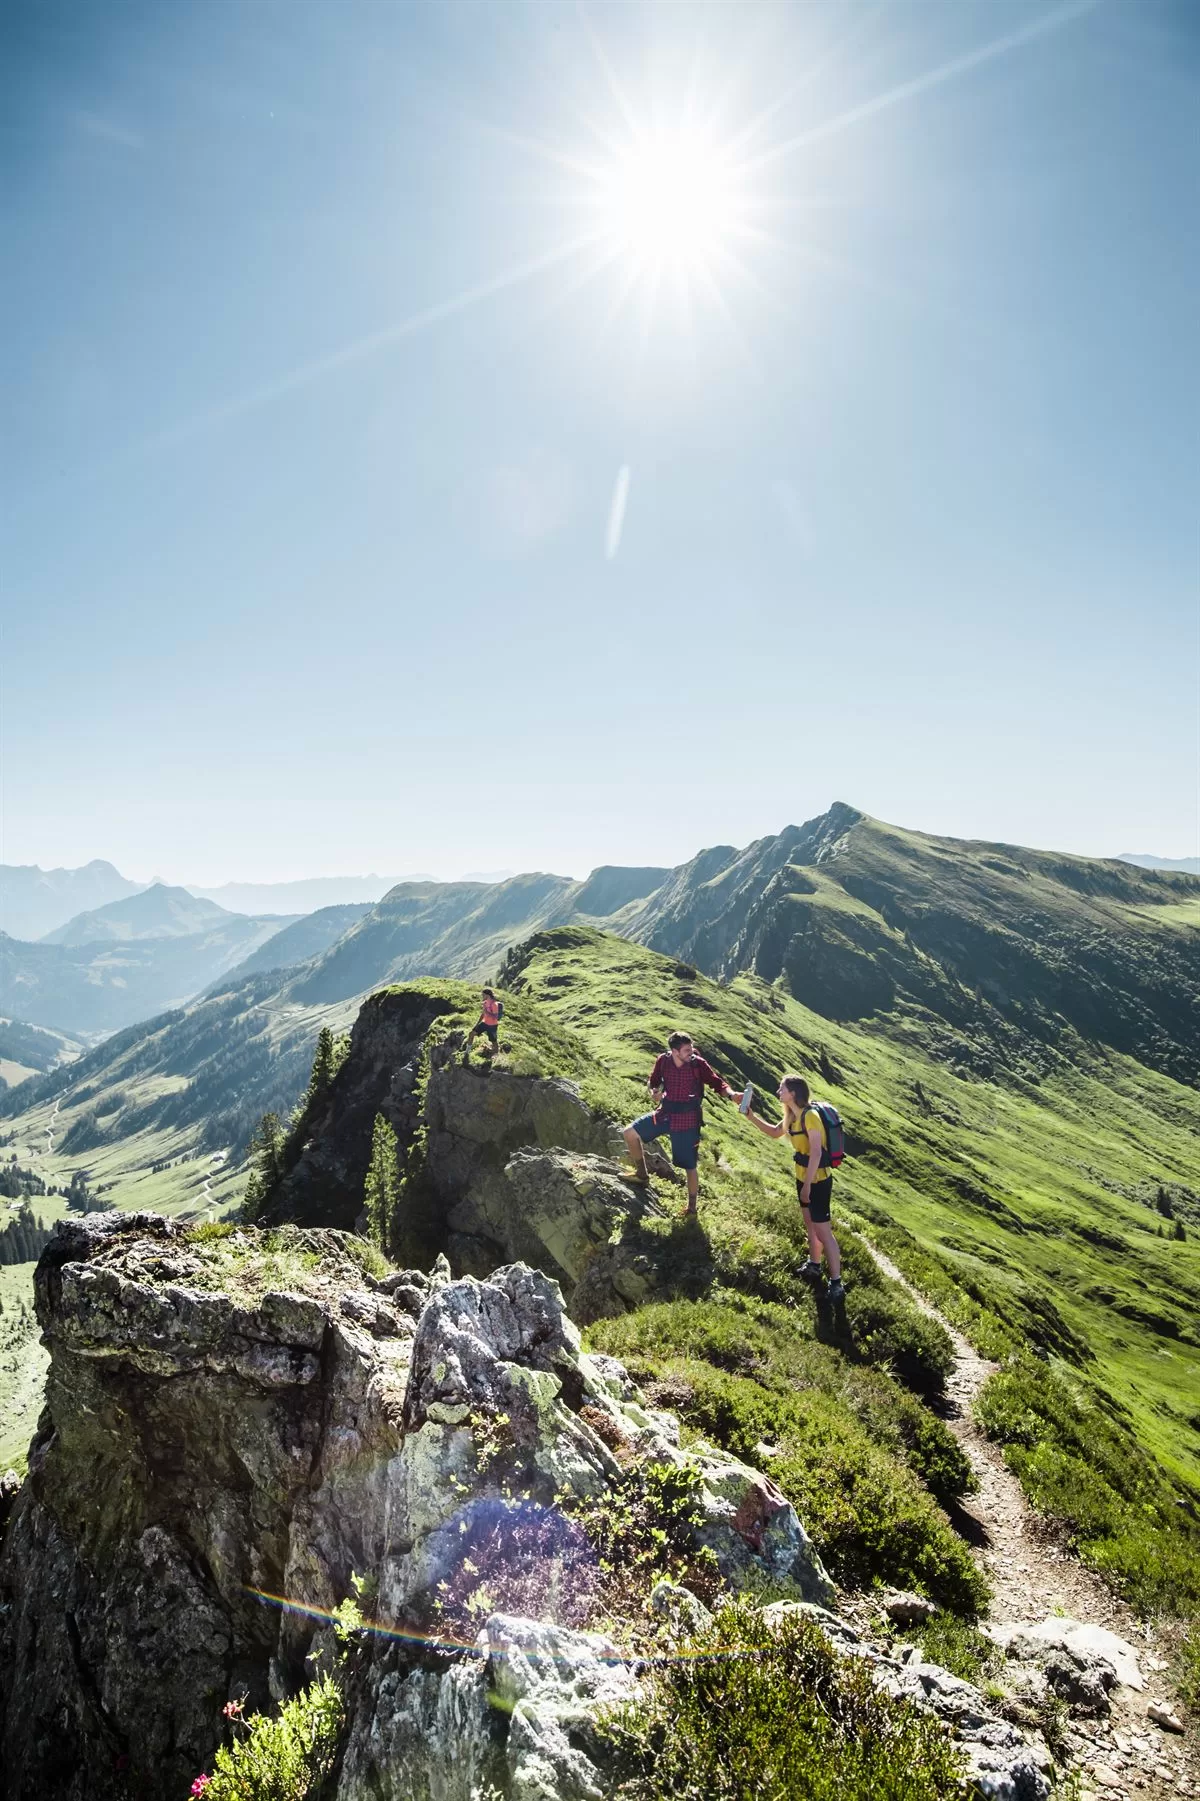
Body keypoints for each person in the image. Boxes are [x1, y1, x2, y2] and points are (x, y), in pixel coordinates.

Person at [745, 1074, 844, 1299]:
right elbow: (773, 1132)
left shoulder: (811, 1117)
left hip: (817, 1179)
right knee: (810, 1224)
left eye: (782, 1088)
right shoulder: (792, 1116)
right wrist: (750, 1116)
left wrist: (807, 1186)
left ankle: (836, 1283)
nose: (779, 1091)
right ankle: (814, 1264)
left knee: (823, 1231)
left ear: (793, 1093)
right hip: (803, 1177)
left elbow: (817, 1152)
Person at [623, 1030, 740, 1217]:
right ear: (675, 1051)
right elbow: (653, 1082)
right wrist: (654, 1091)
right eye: (687, 1050)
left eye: (691, 1048)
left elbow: (717, 1083)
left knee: (689, 1165)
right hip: (665, 1113)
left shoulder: (698, 1064)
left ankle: (692, 1209)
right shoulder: (663, 1061)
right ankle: (642, 1175)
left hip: (688, 1119)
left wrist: (733, 1095)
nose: (691, 1052)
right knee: (630, 1133)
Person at [468, 987, 503, 1053]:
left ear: (487, 995)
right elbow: (483, 1014)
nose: (482, 996)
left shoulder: (494, 1004)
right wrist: (477, 1024)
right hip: (484, 1023)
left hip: (492, 1026)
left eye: (483, 995)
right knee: (471, 1034)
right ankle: (467, 1052)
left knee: (494, 1042)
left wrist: (487, 1012)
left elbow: (495, 1016)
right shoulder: (485, 1003)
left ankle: (496, 1056)